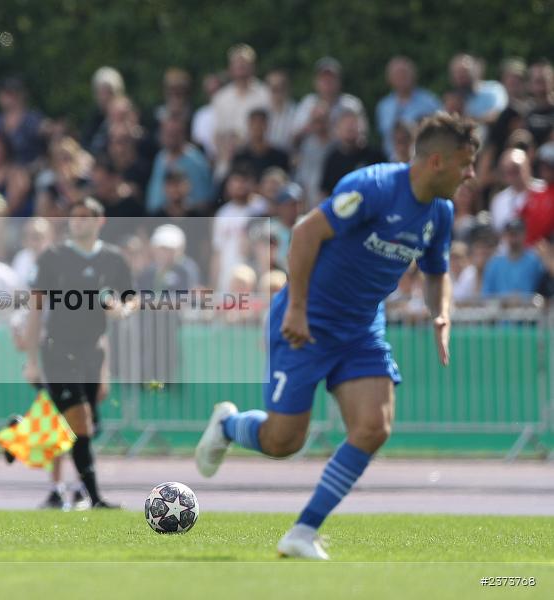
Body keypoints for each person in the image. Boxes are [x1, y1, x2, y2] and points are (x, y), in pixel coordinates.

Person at [195, 113, 479, 559]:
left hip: (362, 327)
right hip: (309, 321)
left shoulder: (440, 212)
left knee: (374, 426)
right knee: (283, 441)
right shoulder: (374, 187)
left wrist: (441, 314)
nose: (471, 174)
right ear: (438, 161)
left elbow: (436, 272)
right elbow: (306, 233)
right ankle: (229, 424)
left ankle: (303, 532)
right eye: (466, 163)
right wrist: (297, 308)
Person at [23, 197, 135, 510]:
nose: (79, 222)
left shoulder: (113, 259)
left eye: (86, 217)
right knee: (79, 420)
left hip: (93, 352)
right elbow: (36, 308)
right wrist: (31, 359)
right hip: (59, 350)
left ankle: (72, 490)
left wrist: (121, 310)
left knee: (84, 426)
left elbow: (130, 298)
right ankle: (91, 495)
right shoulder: (54, 257)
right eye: (75, 217)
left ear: (100, 222)